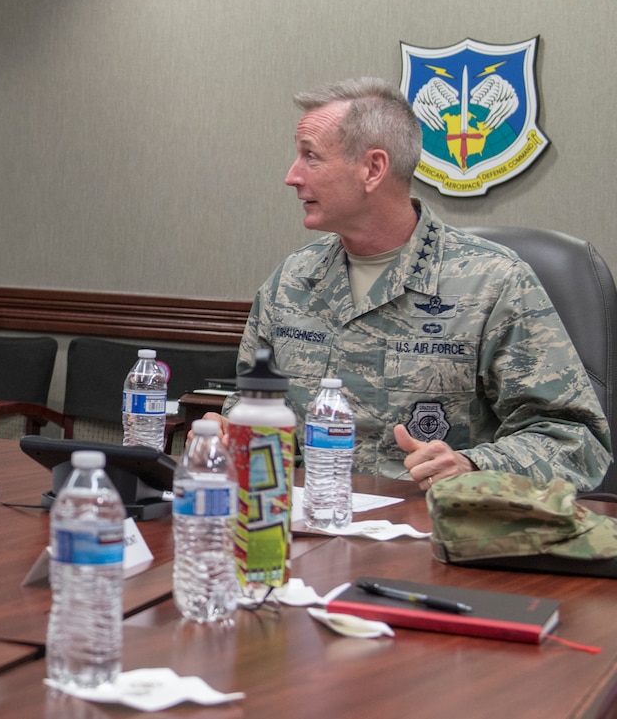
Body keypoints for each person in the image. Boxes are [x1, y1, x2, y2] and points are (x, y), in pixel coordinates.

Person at [221, 77, 611, 492]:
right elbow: (251, 405)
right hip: (303, 528)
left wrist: (473, 466)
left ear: (373, 168)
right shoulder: (291, 282)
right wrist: (230, 430)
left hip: (436, 537)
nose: (292, 176)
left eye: (310, 157)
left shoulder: (493, 282)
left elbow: (576, 440)